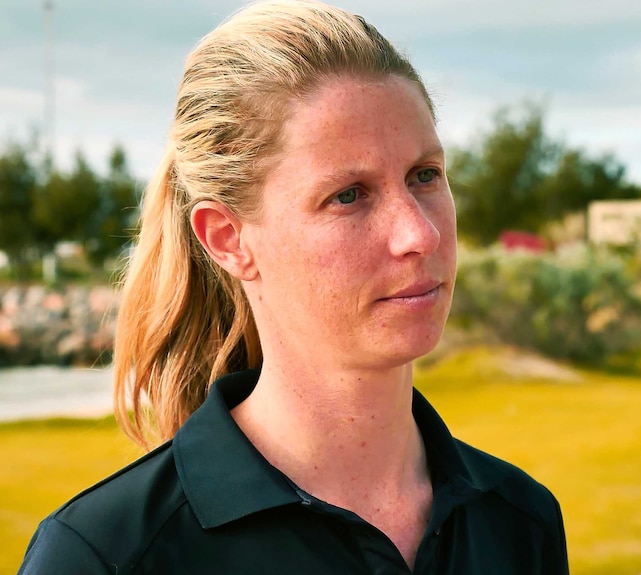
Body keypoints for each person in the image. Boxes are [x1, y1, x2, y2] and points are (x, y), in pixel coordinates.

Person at [18, 1, 569, 573]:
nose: (419, 234)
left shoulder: (519, 521)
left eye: (424, 175)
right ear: (228, 238)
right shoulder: (104, 556)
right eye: (349, 195)